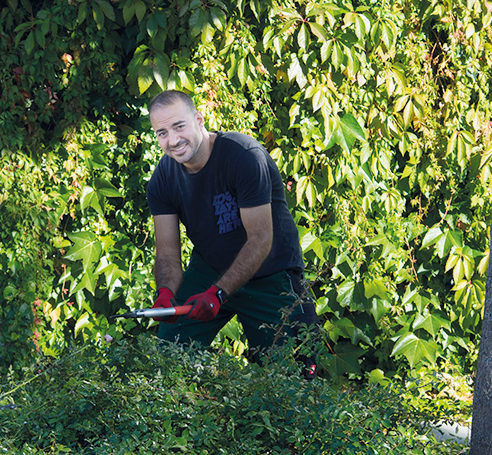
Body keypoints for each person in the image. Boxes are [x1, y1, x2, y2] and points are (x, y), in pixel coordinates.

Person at [146, 90, 319, 378]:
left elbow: (261, 239)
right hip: (210, 269)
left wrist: (218, 294)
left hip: (271, 274)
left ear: (199, 120)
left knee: (292, 377)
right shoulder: (163, 177)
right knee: (168, 355)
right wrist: (166, 292)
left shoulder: (243, 156)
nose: (172, 140)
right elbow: (166, 252)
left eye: (179, 126)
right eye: (162, 132)